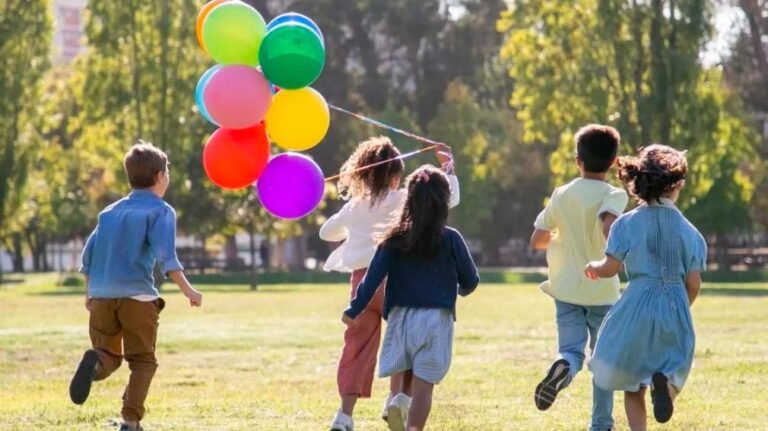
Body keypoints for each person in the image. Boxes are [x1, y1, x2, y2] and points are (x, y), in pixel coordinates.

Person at [321, 136, 459, 431]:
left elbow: (326, 232)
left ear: (363, 174)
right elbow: (448, 199)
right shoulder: (402, 198)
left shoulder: (354, 206)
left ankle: (344, 416)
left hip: (361, 284)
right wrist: (449, 170)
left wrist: (355, 231)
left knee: (356, 347)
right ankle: (396, 400)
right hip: (395, 281)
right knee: (406, 341)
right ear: (396, 174)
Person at [70, 142, 203, 431]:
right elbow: (167, 257)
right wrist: (189, 291)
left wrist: (89, 293)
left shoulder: (109, 212)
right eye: (167, 172)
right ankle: (130, 422)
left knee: (108, 355)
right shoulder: (160, 211)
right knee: (142, 361)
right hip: (137, 298)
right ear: (159, 176)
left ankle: (95, 362)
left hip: (101, 297)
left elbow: (88, 256)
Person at [342, 165, 479, 431]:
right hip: (435, 319)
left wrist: (354, 308)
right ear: (444, 202)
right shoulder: (451, 238)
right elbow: (470, 280)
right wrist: (460, 289)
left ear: (409, 200)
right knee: (424, 385)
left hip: (400, 318)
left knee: (404, 366)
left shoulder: (393, 239)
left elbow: (372, 277)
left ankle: (398, 399)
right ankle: (413, 426)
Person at [585, 144, 706, 430]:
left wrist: (594, 267)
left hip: (636, 306)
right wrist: (681, 307)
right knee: (675, 367)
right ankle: (666, 390)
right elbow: (693, 282)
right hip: (674, 305)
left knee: (632, 381)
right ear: (677, 184)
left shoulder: (626, 224)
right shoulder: (691, 233)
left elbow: (610, 268)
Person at [530, 125, 628, 431]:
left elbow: (537, 239)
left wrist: (561, 237)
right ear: (613, 162)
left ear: (578, 161)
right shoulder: (615, 194)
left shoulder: (562, 194)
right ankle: (601, 424)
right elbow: (608, 227)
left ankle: (564, 367)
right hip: (602, 291)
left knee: (571, 350)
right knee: (603, 360)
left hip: (565, 289)